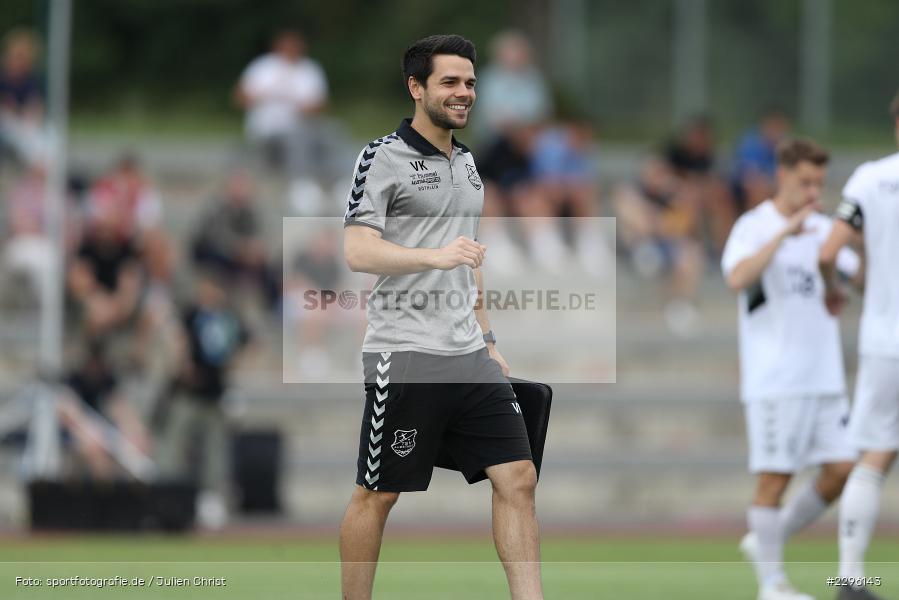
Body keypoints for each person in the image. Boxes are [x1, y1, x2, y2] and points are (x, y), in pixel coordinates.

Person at [338, 35, 542, 600]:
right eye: (450, 82)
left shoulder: (470, 163)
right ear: (417, 88)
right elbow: (357, 251)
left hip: (468, 354)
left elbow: (470, 260)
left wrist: (489, 337)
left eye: (470, 83)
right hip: (404, 351)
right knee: (377, 495)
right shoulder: (382, 156)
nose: (463, 93)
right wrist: (434, 255)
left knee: (518, 478)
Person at [722, 139, 862, 600]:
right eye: (805, 181)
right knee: (774, 478)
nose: (812, 191)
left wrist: (843, 260)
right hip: (776, 378)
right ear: (782, 176)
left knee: (843, 468)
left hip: (824, 377)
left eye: (819, 183)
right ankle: (772, 584)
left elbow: (852, 276)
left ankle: (769, 537)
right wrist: (784, 235)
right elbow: (738, 278)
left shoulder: (825, 229)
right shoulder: (754, 225)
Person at [819, 90, 899, 600]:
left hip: (886, 340)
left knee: (874, 454)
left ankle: (851, 578)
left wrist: (837, 285)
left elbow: (830, 251)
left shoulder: (871, 178)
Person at [235, 29, 328, 175]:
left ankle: (345, 180)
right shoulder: (262, 67)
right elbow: (240, 98)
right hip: (266, 128)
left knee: (331, 134)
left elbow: (319, 106)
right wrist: (266, 96)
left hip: (300, 127)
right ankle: (300, 182)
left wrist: (299, 105)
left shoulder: (310, 69)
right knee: (296, 140)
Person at [731, 109, 792, 213]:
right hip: (742, 188)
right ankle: (756, 223)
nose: (775, 132)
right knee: (757, 188)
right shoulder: (751, 144)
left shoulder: (788, 146)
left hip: (773, 186)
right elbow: (750, 176)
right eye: (773, 127)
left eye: (779, 127)